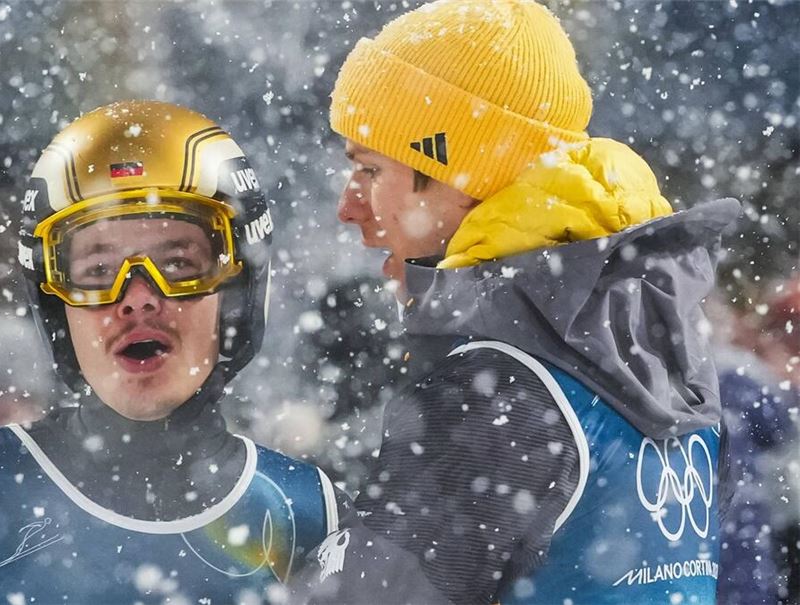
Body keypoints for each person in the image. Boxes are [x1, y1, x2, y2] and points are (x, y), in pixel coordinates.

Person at [295, 1, 738, 604]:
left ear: (456, 174)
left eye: (370, 171)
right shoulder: (653, 339)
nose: (349, 208)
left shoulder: (494, 391)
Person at [0, 100, 344, 605]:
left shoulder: (307, 513)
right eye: (99, 272)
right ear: (56, 310)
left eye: (177, 263)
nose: (139, 298)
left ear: (235, 295)